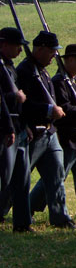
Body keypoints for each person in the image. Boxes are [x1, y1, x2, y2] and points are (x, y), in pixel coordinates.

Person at [29, 43, 76, 221]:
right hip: (67, 138)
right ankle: (30, 205)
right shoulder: (58, 83)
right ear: (69, 60)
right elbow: (63, 109)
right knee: (56, 177)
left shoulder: (75, 82)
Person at [17, 30, 76, 229]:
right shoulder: (25, 71)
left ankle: (60, 218)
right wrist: (47, 110)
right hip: (33, 134)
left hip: (49, 133)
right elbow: (22, 106)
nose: (55, 55)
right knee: (19, 179)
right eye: (52, 51)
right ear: (40, 49)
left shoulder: (43, 71)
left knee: (56, 177)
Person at [0, 27, 33, 232]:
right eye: (16, 45)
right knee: (4, 177)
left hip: (18, 126)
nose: (20, 50)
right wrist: (15, 97)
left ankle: (22, 223)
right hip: (5, 128)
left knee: (22, 180)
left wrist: (25, 125)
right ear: (3, 44)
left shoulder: (10, 67)